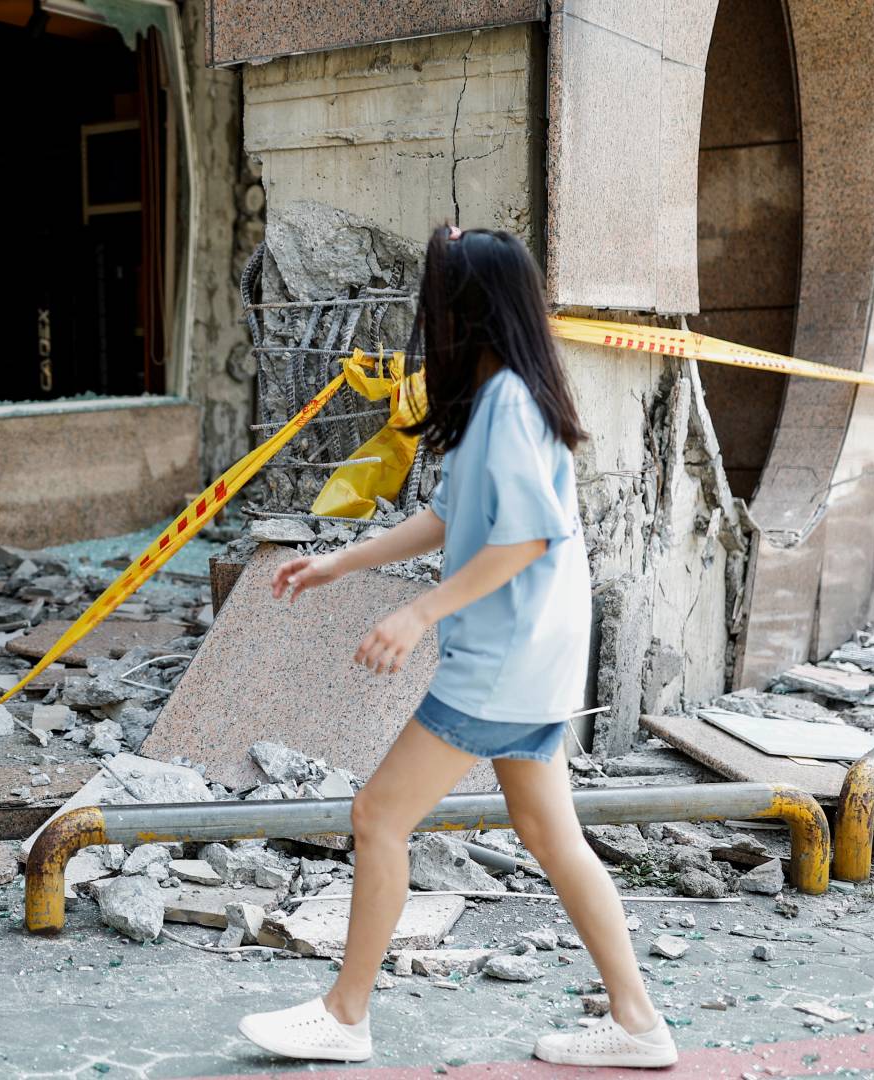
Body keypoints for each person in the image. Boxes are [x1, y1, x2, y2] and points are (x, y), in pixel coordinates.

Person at [238, 226, 677, 1069]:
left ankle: (345, 1015)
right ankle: (637, 1023)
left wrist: (418, 616)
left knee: (378, 816)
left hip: (502, 664)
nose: (423, 310)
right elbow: (450, 518)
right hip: (530, 662)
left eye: (436, 295)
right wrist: (340, 563)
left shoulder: (509, 403)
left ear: (467, 311)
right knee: (552, 837)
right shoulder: (499, 399)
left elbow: (524, 541)